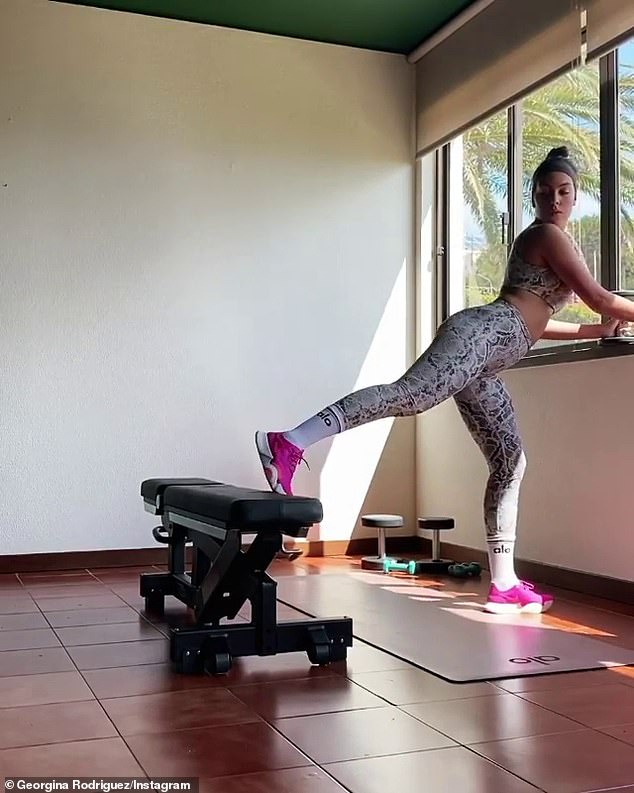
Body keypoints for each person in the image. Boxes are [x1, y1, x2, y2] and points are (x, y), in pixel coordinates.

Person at [254, 146, 634, 615]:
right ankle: (289, 441)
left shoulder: (562, 241)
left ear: (575, 197)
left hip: (490, 358)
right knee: (411, 396)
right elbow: (597, 297)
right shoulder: (547, 235)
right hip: (479, 335)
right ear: (535, 198)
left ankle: (504, 582)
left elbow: (535, 322)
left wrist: (598, 332)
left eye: (564, 192)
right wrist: (608, 315)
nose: (554, 199)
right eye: (545, 192)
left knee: (509, 460)